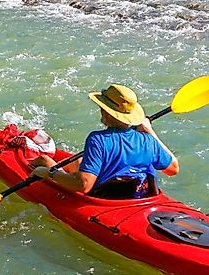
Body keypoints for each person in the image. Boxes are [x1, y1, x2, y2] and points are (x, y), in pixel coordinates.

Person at [27, 83, 178, 199]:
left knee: (45, 160)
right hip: (138, 196)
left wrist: (48, 174)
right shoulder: (148, 141)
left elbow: (84, 186)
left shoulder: (97, 140)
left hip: (103, 198)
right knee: (77, 161)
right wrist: (150, 131)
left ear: (105, 110)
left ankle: (29, 163)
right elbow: (173, 169)